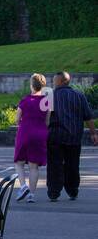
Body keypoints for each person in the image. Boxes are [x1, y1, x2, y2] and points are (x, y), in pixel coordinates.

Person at [46, 71, 97, 201]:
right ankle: (72, 190)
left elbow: (43, 118)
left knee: (54, 164)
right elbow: (88, 117)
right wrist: (93, 133)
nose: (53, 82)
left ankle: (54, 192)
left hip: (55, 136)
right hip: (74, 136)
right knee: (73, 164)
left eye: (55, 80)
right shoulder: (79, 96)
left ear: (61, 81)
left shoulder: (50, 96)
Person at [13, 73, 49, 202]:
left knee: (19, 162)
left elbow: (17, 119)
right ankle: (31, 196)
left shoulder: (25, 100)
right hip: (40, 133)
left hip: (25, 132)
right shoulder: (46, 101)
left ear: (31, 86)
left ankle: (23, 187)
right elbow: (47, 121)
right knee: (34, 166)